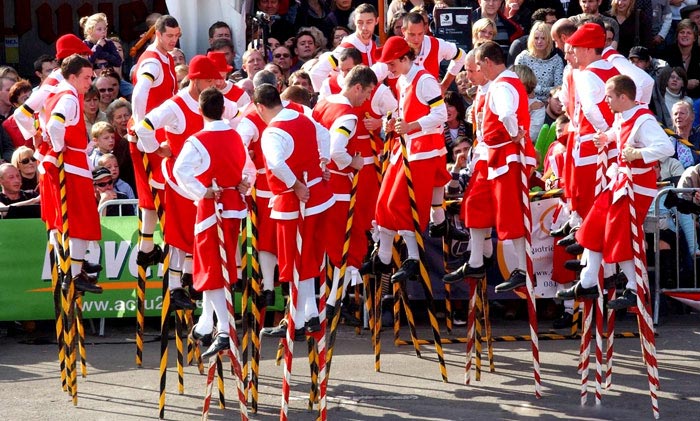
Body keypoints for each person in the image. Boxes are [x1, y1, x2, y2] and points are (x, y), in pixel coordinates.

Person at [558, 75, 674, 309]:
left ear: (623, 97)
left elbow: (666, 147)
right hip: (620, 182)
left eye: (610, 96)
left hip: (636, 187)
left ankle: (634, 287)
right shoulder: (623, 115)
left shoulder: (644, 120)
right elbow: (617, 131)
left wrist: (638, 154)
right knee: (593, 225)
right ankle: (588, 281)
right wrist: (606, 137)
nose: (606, 100)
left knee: (620, 235)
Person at [136, 55, 237, 311]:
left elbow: (240, 111)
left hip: (204, 180)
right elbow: (144, 126)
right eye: (211, 79)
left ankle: (192, 279)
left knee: (198, 234)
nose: (217, 83)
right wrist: (156, 149)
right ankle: (174, 285)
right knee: (179, 235)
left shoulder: (212, 102)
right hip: (182, 179)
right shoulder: (175, 106)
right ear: (197, 79)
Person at [444, 42, 534, 291]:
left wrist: (515, 133)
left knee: (510, 214)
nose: (477, 71)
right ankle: (475, 260)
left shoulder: (503, 85)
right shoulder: (498, 85)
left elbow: (507, 115)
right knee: (475, 204)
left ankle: (522, 270)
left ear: (487, 62)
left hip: (506, 156)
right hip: (494, 156)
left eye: (479, 65)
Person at [174, 87, 255, 357]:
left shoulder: (197, 140)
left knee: (212, 269)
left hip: (213, 209)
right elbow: (248, 169)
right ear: (222, 109)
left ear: (200, 110)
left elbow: (179, 171)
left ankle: (223, 329)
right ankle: (208, 321)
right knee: (219, 265)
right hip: (233, 207)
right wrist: (245, 184)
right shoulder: (235, 135)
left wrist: (201, 192)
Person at [254, 83, 335, 339]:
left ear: (260, 107)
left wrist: (297, 185)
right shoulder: (304, 118)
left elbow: (276, 164)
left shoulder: (272, 132)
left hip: (294, 201)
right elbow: (326, 137)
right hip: (318, 196)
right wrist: (322, 162)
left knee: (294, 260)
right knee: (309, 256)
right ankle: (309, 315)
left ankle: (298, 319)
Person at [369, 36, 449, 283]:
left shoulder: (424, 80)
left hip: (424, 152)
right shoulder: (402, 80)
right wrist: (390, 122)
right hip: (404, 149)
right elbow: (400, 113)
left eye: (392, 64)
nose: (389, 69)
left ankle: (413, 257)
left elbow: (441, 114)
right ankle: (382, 255)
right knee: (384, 203)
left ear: (405, 59)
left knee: (400, 203)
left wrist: (411, 125)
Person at [312, 65, 378, 322]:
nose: (367, 99)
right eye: (367, 92)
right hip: (337, 186)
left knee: (323, 246)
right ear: (357, 86)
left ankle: (323, 298)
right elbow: (336, 150)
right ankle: (333, 298)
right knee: (342, 245)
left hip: (320, 182)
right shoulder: (347, 115)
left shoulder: (323, 104)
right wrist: (354, 162)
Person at [45, 54, 103, 294]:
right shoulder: (68, 97)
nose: (90, 82)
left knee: (67, 219)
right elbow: (54, 125)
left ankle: (71, 266)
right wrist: (59, 147)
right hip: (71, 165)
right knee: (79, 219)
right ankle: (74, 271)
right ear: (72, 76)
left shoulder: (57, 93)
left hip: (67, 163)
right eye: (86, 77)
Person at [129, 15, 180, 270]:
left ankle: (147, 248)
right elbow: (139, 93)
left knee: (152, 193)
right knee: (161, 191)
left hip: (155, 130)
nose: (173, 41)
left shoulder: (165, 58)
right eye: (169, 36)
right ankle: (170, 254)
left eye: (176, 36)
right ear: (158, 34)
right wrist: (140, 126)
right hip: (150, 132)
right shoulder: (152, 61)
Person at [309, 3, 379, 90]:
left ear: (376, 21)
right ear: (354, 21)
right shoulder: (346, 47)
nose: (364, 27)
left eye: (369, 22)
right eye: (360, 22)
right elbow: (317, 73)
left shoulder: (373, 45)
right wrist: (330, 98)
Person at [514, 21, 564, 102]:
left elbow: (559, 88)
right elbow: (518, 85)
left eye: (543, 38)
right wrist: (547, 90)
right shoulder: (522, 58)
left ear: (549, 40)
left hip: (549, 104)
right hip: (525, 101)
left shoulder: (557, 60)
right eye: (536, 38)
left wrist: (537, 89)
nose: (539, 41)